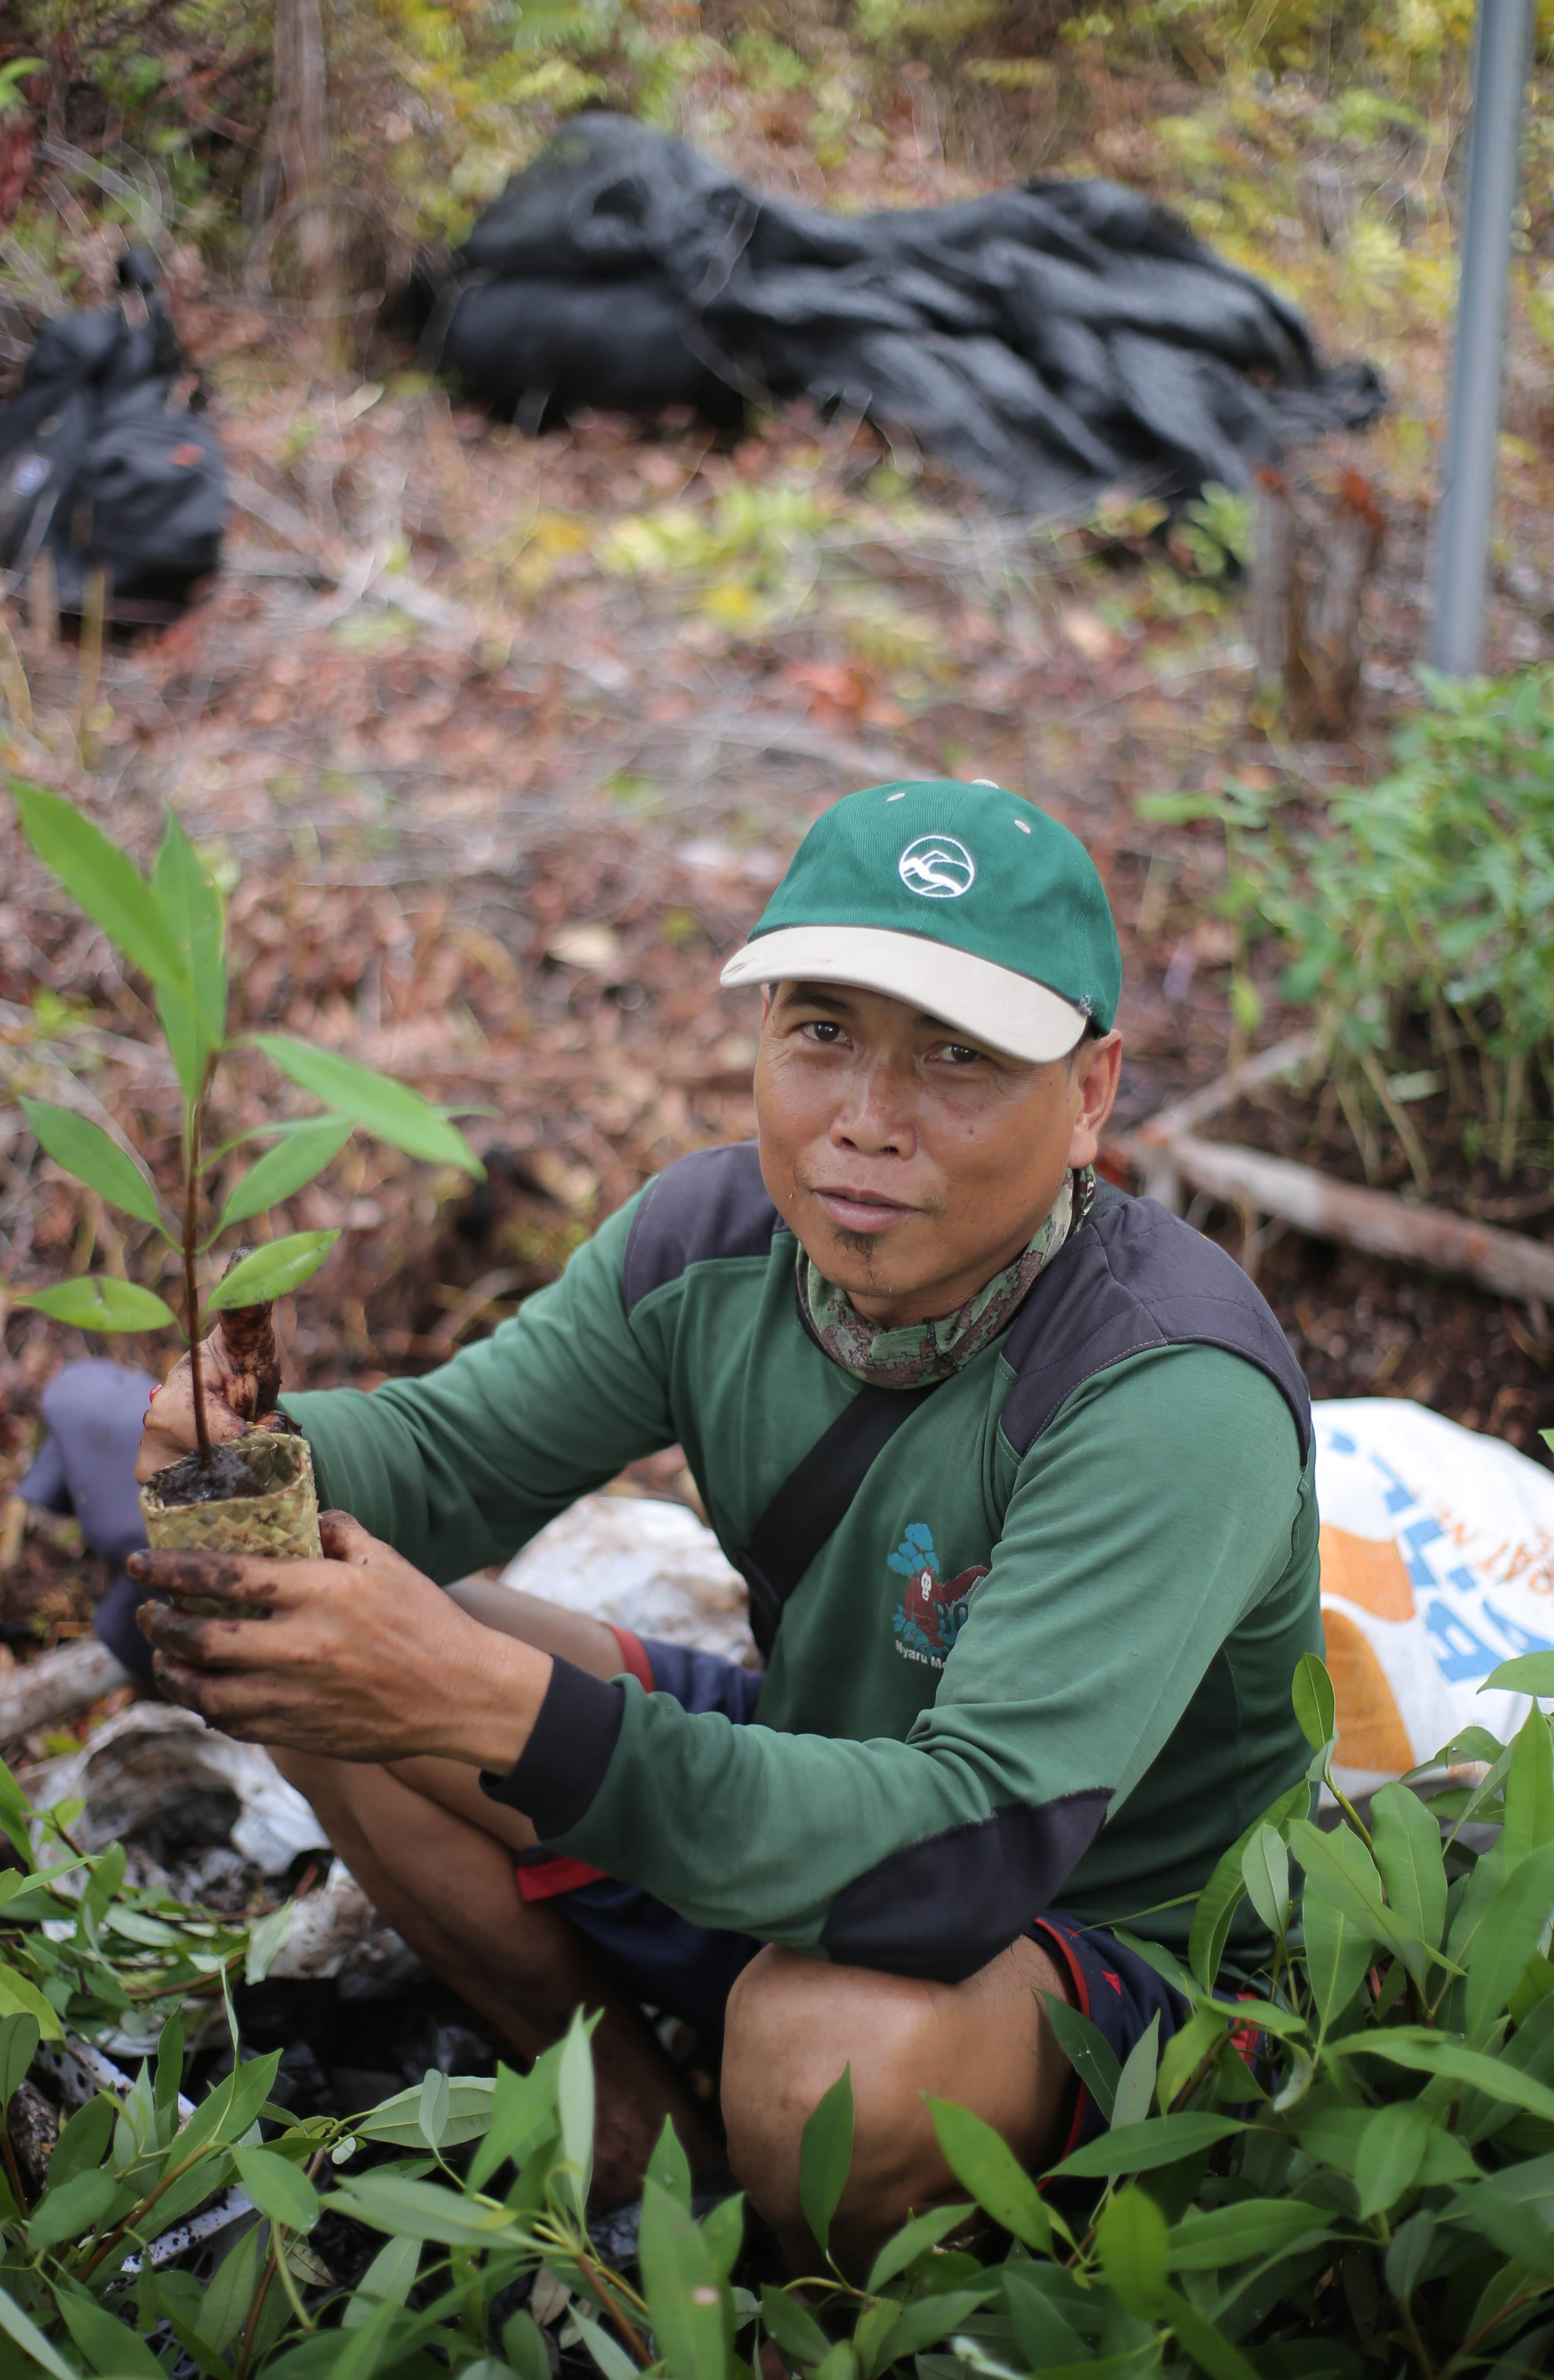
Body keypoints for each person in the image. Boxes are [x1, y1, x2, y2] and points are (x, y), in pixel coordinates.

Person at [133, 779, 1321, 2269]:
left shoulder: (1162, 1390)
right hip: (823, 1786)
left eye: (957, 1058)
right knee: (313, 1637)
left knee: (820, 2057)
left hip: (1105, 1936)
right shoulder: (715, 1248)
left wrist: (503, 1709)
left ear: (1088, 1098)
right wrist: (249, 1460)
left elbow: (968, 1854)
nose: (866, 1123)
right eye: (823, 1033)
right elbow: (448, 1458)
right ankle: (661, 2185)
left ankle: (826, 2274)